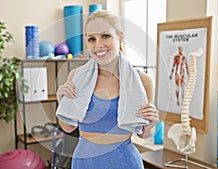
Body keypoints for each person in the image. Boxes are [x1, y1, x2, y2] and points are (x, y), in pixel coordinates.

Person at [56, 10, 159, 169]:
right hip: (84, 162)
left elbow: (143, 133)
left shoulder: (142, 81)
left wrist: (150, 125)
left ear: (120, 37)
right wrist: (61, 102)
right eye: (92, 39)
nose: (98, 45)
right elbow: (68, 127)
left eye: (105, 36)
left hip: (125, 162)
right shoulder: (76, 77)